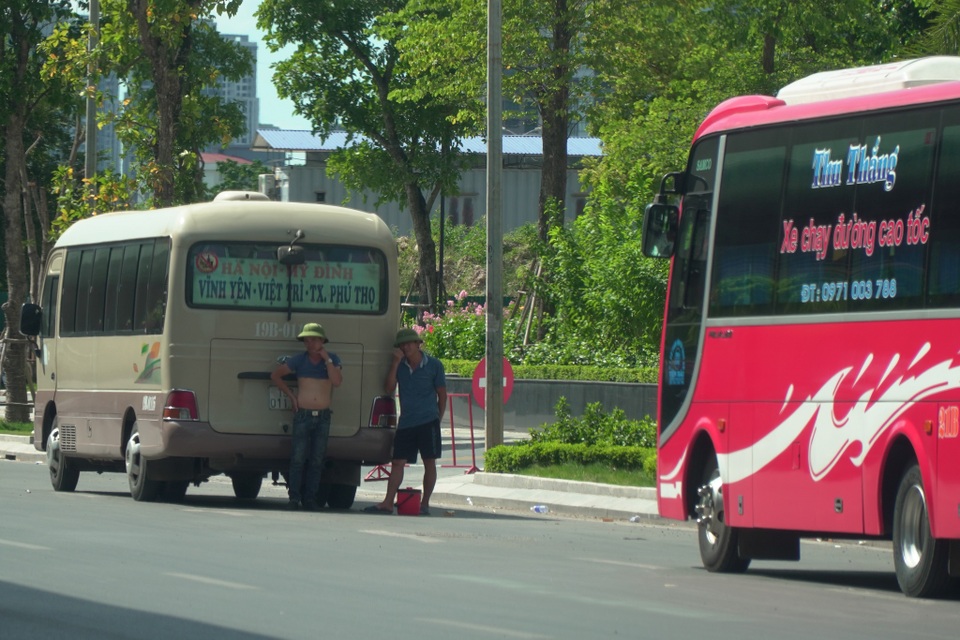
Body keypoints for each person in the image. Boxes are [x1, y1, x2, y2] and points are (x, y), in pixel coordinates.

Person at [364, 328, 446, 515]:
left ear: (418, 344)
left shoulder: (434, 365)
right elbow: (388, 388)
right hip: (407, 422)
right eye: (402, 344)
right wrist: (394, 363)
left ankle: (425, 503)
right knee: (398, 462)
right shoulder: (400, 366)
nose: (406, 346)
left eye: (410, 343)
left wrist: (437, 419)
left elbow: (442, 394)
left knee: (429, 462)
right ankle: (386, 502)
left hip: (428, 421)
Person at [271, 322, 343, 511]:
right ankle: (294, 497)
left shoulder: (333, 359)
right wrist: (292, 397)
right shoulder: (299, 360)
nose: (310, 343)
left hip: (323, 416)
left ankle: (310, 498)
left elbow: (337, 382)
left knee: (317, 459)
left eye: (314, 339)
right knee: (297, 458)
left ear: (322, 341)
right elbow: (276, 375)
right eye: (307, 340)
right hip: (302, 415)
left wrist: (326, 359)